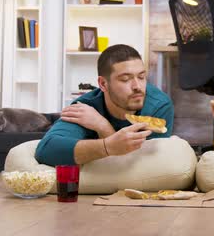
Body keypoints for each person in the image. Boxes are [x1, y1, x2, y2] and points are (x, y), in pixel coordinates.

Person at [35, 45, 174, 166]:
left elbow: (150, 166)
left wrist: (103, 127)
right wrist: (106, 147)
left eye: (141, 77)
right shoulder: (85, 107)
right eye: (125, 79)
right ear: (103, 84)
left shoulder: (159, 105)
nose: (137, 86)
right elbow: (46, 151)